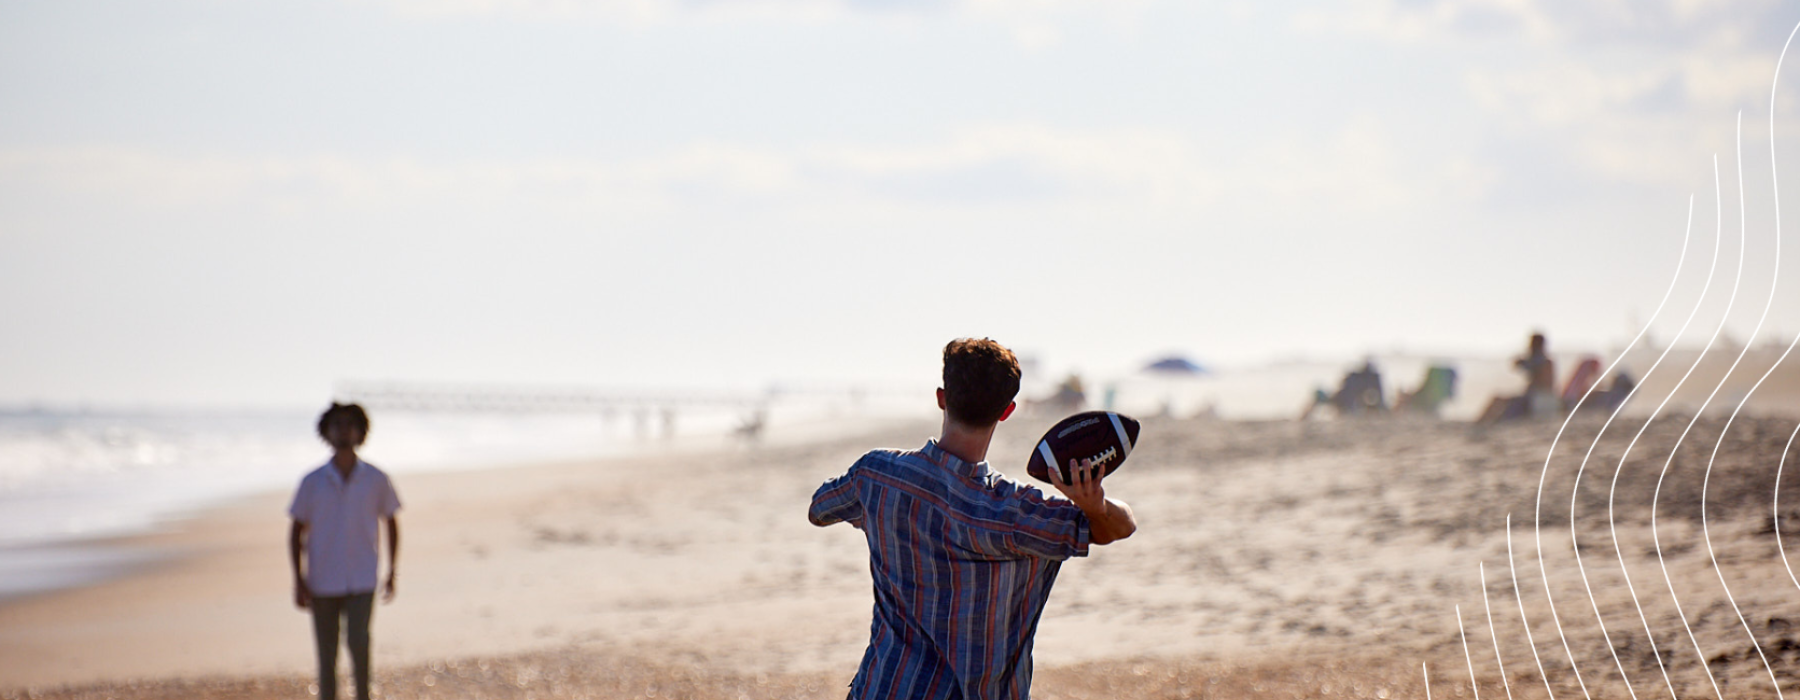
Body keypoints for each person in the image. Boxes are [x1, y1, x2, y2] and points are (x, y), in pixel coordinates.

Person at [808, 338, 1138, 699]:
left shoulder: (877, 475)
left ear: (941, 397)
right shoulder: (1017, 512)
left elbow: (819, 510)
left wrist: (872, 515)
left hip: (885, 688)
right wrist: (1094, 504)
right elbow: (1120, 527)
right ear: (1007, 411)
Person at [288, 403, 402, 700]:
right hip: (323, 578)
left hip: (362, 576)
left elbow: (391, 520)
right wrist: (298, 579)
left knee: (359, 644)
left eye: (349, 424)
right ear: (326, 431)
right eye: (337, 424)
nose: (343, 430)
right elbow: (296, 529)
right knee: (327, 653)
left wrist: (392, 571)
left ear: (361, 431)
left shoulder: (376, 479)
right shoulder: (312, 482)